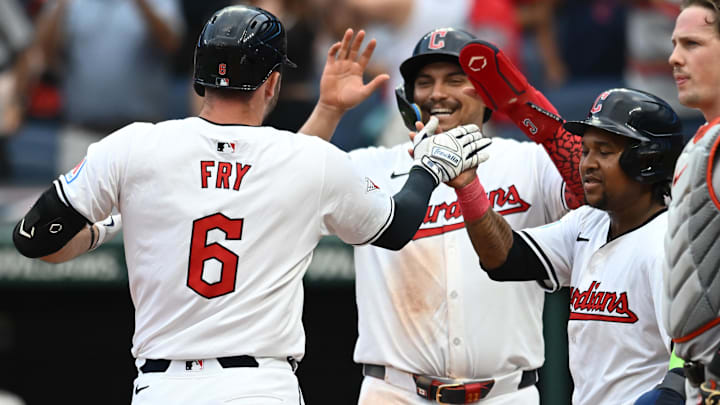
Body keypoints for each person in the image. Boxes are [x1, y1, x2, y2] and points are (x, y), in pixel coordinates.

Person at [10, 6, 491, 404]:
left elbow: (33, 239)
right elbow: (398, 224)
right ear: (272, 84)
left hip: (162, 386)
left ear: (200, 79)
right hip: (259, 386)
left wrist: (102, 229)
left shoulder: (134, 146)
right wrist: (431, 169)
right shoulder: (305, 160)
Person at [308, 27, 584, 404]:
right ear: (408, 100)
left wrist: (524, 105)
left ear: (488, 94)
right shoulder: (372, 167)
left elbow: (592, 186)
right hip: (395, 393)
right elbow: (287, 189)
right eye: (425, 82)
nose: (437, 93)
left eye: (456, 79)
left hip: (505, 394)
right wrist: (328, 111)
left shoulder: (528, 162)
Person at [451, 87, 685, 404]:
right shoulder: (588, 222)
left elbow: (689, 361)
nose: (586, 163)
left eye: (604, 152)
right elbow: (504, 259)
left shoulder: (667, 246)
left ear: (647, 160)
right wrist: (468, 188)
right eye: (586, 151)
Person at [32, 0, 185, 173]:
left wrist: (142, 5)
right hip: (83, 135)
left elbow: (172, 43)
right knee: (75, 200)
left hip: (141, 138)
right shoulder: (72, 3)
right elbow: (43, 54)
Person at [663, 0, 720, 402]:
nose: (673, 57)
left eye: (692, 44)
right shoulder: (703, 140)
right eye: (674, 43)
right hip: (697, 382)